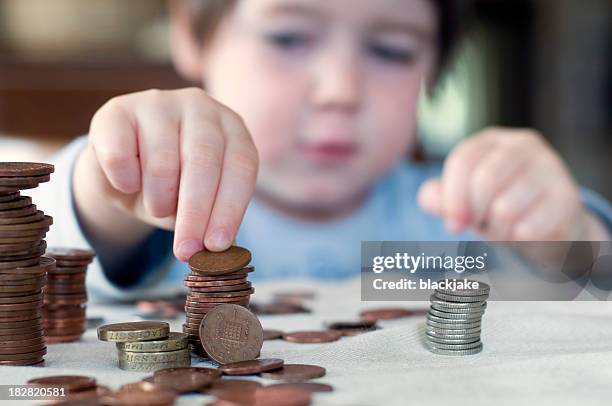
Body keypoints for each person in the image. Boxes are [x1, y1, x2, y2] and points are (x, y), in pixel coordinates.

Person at [33, 0, 612, 300]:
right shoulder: (164, 201)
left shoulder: (457, 219)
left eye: (390, 50)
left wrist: (567, 233)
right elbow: (56, 245)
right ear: (191, 34)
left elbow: (596, 281)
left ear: (435, 70)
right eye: (288, 38)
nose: (341, 89)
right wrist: (114, 184)